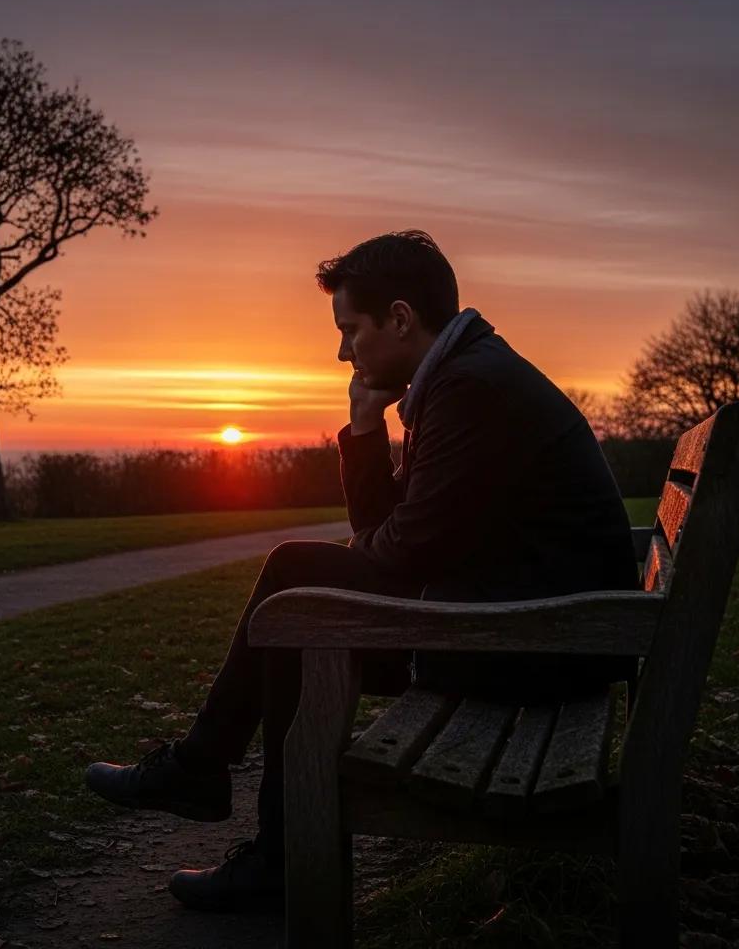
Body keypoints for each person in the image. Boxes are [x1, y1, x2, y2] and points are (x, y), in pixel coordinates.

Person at [85, 230, 639, 912]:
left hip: (540, 647)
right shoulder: (466, 375)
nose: (343, 351)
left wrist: (350, 564)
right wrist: (366, 428)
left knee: (298, 581)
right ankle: (255, 833)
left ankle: (218, 791)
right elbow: (391, 533)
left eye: (350, 330)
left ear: (400, 319)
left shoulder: (470, 388)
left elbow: (404, 551)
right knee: (303, 603)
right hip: (536, 628)